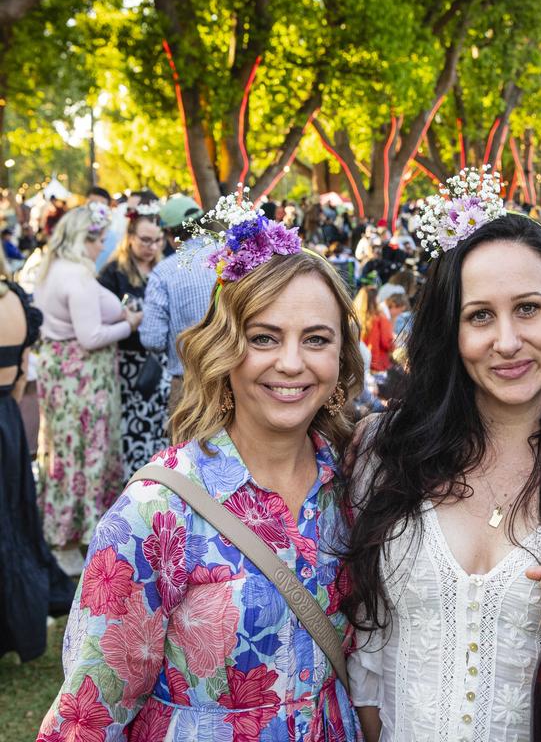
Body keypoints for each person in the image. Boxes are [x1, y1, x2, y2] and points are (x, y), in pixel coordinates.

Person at [38, 199, 365, 742]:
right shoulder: (156, 512)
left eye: (316, 339)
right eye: (264, 337)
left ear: (341, 356)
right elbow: (87, 718)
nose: (291, 362)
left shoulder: (355, 484)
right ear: (225, 347)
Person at [343, 168, 541, 741]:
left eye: (528, 308)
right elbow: (367, 672)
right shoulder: (387, 454)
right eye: (480, 316)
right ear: (451, 334)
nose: (507, 341)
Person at [33, 203, 143, 576]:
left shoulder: (53, 269)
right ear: (84, 239)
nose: (102, 247)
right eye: (98, 240)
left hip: (65, 374)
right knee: (84, 450)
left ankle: (69, 532)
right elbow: (91, 335)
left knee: (67, 448)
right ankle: (72, 538)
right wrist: (130, 325)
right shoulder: (76, 277)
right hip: (81, 379)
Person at [0, 253, 75, 662]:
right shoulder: (13, 299)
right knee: (14, 520)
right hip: (7, 421)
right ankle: (21, 628)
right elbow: (20, 375)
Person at [98, 205, 171, 477]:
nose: (152, 246)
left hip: (159, 363)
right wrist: (130, 320)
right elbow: (100, 318)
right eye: (145, 240)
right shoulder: (113, 273)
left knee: (159, 428)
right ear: (130, 237)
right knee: (131, 430)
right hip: (128, 365)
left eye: (157, 240)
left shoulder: (165, 268)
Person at [140, 195, 213, 419]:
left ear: (170, 236)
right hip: (236, 379)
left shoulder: (163, 272)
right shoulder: (231, 257)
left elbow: (152, 339)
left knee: (188, 451)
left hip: (188, 386)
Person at [353, 272, 394, 373]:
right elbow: (387, 343)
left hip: (357, 363)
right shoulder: (379, 318)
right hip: (376, 365)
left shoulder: (352, 318)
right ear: (375, 300)